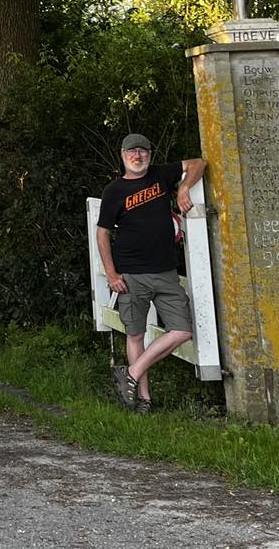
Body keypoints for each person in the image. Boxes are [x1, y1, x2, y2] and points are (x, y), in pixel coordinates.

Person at [96, 132, 207, 413]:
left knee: (181, 330)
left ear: (149, 154)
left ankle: (130, 373)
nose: (137, 156)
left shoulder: (161, 175)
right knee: (135, 334)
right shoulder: (114, 191)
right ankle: (143, 399)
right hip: (131, 274)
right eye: (132, 152)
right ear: (123, 156)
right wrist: (111, 275)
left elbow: (198, 163)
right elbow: (102, 234)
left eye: (142, 152)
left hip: (165, 271)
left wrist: (183, 189)